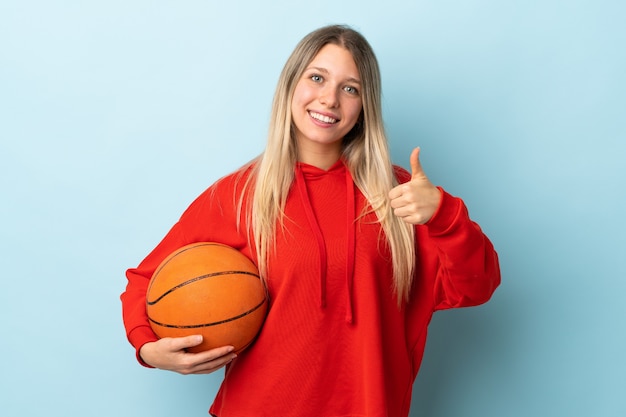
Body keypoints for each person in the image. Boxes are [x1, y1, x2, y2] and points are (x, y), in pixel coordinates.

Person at [121, 24, 501, 417]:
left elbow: (478, 285)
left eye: (350, 88)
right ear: (290, 86)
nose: (330, 99)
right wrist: (148, 348)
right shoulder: (238, 196)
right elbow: (145, 280)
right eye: (317, 78)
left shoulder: (401, 197)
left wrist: (443, 214)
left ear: (364, 105)